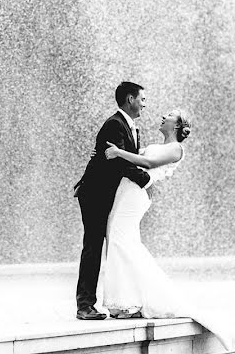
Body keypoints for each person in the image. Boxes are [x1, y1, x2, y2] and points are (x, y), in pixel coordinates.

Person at [73, 82, 152, 321]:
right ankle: (85, 305)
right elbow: (119, 162)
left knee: (115, 246)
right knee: (93, 247)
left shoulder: (128, 126)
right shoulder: (114, 124)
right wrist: (146, 180)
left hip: (108, 196)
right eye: (142, 99)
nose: (144, 104)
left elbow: (125, 158)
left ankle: (123, 300)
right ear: (130, 99)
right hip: (96, 195)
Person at [100, 109, 190, 319]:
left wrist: (118, 153)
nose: (163, 117)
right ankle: (127, 300)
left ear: (177, 125)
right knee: (121, 240)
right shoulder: (154, 146)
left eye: (169, 115)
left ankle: (128, 303)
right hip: (128, 190)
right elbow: (132, 159)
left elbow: (148, 164)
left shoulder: (177, 149)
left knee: (119, 240)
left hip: (137, 194)